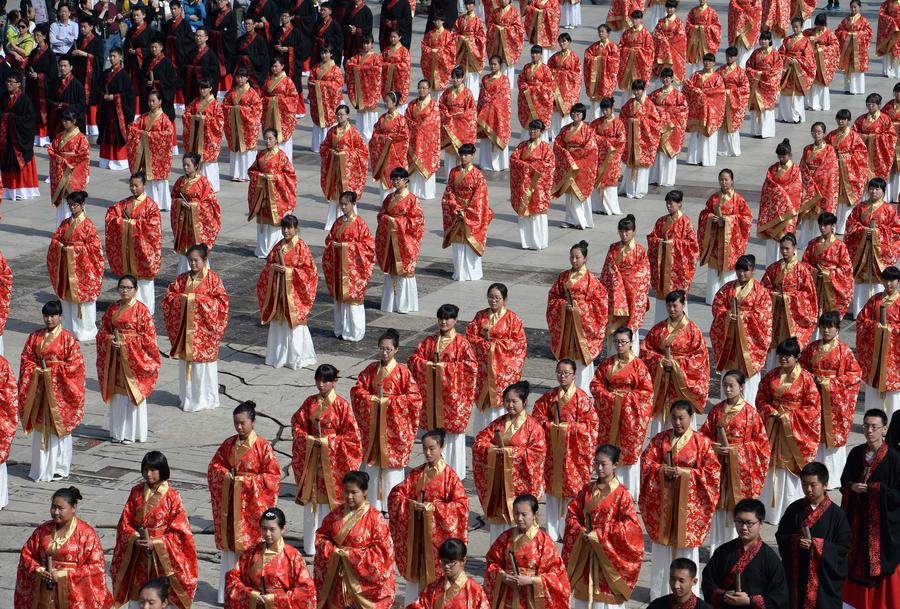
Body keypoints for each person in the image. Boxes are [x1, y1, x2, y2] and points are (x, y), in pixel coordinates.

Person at [641, 400, 721, 600]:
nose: (677, 423)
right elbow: (647, 464)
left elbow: (712, 473)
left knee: (686, 551)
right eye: (674, 418)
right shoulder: (660, 440)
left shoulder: (701, 442)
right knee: (662, 549)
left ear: (691, 418)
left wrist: (685, 473)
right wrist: (661, 471)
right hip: (664, 504)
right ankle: (659, 594)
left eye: (681, 418)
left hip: (689, 506)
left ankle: (688, 595)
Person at [208, 401, 281, 603]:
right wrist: (226, 476)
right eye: (236, 423)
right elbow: (214, 467)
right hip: (231, 505)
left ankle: (247, 595)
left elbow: (273, 478)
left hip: (250, 508)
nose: (239, 427)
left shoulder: (263, 446)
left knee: (250, 551)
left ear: (253, 422)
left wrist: (245, 482)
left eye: (243, 423)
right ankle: (226, 594)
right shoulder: (229, 444)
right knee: (230, 549)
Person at [387, 429, 469, 603]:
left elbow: (461, 506)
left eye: (432, 448)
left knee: (437, 582)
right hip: (416, 537)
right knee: (414, 579)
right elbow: (396, 495)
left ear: (441, 447)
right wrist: (410, 505)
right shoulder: (416, 474)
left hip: (436, 537)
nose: (428, 453)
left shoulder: (450, 477)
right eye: (424, 448)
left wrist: (431, 510)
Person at [110, 451, 197, 609]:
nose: (148, 474)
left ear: (162, 470)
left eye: (152, 470)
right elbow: (125, 523)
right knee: (138, 593)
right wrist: (135, 539)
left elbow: (180, 532)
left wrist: (156, 543)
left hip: (162, 557)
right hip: (139, 553)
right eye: (145, 470)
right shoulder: (136, 491)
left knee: (162, 593)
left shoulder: (172, 496)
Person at [291, 364, 362, 554]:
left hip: (333, 462)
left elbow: (352, 438)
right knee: (312, 502)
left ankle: (330, 542)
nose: (321, 385)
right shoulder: (309, 403)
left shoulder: (341, 405)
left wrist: (327, 443)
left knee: (332, 504)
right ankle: (310, 545)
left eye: (325, 381)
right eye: (318, 381)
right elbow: (297, 425)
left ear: (334, 382)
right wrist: (308, 440)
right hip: (313, 458)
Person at [562, 444, 644, 608]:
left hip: (608, 557)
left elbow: (631, 527)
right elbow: (572, 514)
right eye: (596, 463)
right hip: (585, 553)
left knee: (605, 601)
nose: (599, 468)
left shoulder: (622, 494)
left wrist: (599, 535)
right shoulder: (586, 490)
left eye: (603, 464)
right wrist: (580, 530)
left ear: (614, 465)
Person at [699, 369, 770, 556]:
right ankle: (717, 550)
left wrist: (737, 451)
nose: (728, 389)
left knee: (737, 509)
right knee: (719, 509)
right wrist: (715, 448)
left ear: (742, 387)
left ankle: (737, 549)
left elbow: (761, 445)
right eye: (725, 386)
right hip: (719, 466)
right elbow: (703, 438)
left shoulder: (750, 413)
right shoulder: (716, 410)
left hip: (741, 469)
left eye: (731, 386)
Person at [349, 329, 422, 511]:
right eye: (381, 348)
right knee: (373, 467)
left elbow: (414, 398)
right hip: (374, 425)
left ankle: (393, 504)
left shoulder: (403, 372)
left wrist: (389, 403)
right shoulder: (371, 370)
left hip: (393, 428)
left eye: (388, 349)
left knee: (392, 469)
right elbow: (357, 390)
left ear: (396, 350)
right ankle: (373, 503)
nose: (384, 353)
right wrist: (373, 401)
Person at [18, 300, 85, 482]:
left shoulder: (68, 339)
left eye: (53, 315)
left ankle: (60, 467)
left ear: (60, 317)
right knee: (40, 426)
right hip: (39, 387)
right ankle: (40, 466)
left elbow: (76, 366)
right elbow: (26, 359)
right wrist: (36, 371)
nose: (49, 319)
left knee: (59, 428)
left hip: (60, 390)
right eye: (46, 315)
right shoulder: (34, 337)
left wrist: (52, 372)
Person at [532, 359, 599, 541]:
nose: (562, 376)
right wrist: (551, 427)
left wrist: (567, 429)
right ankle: (552, 531)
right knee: (552, 493)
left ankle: (569, 529)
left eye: (566, 373)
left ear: (574, 375)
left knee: (573, 492)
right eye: (559, 372)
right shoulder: (549, 397)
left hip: (573, 454)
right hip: (553, 452)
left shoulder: (582, 399)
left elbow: (591, 426)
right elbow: (537, 417)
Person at [757, 337, 822, 523]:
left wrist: (788, 417)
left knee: (789, 467)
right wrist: (770, 411)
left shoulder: (806, 379)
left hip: (794, 429)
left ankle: (790, 510)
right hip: (773, 425)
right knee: (771, 464)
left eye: (788, 356)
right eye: (781, 356)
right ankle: (769, 510)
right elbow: (761, 397)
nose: (783, 359)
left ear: (797, 357)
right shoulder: (771, 375)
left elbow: (812, 408)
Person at [14, 487, 114, 609]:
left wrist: (63, 575)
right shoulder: (42, 530)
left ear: (73, 508)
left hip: (72, 596)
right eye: (53, 507)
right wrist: (39, 570)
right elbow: (26, 555)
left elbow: (96, 568)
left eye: (60, 508)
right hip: (44, 593)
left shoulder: (87, 534)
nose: (55, 512)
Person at [840, 408, 900, 609]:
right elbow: (844, 481)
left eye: (874, 427)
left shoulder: (894, 458)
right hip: (857, 520)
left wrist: (876, 490)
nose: (869, 431)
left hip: (882, 525)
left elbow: (898, 494)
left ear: (884, 429)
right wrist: (851, 487)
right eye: (866, 426)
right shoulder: (856, 453)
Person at [407, 305, 477, 477]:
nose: (444, 322)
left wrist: (443, 368)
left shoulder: (462, 343)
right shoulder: (429, 341)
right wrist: (428, 366)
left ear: (455, 320)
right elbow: (414, 360)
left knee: (451, 437)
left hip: (452, 400)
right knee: (433, 434)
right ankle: (433, 469)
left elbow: (471, 367)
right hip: (432, 398)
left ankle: (454, 473)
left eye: (447, 319)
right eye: (441, 318)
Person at [472, 382, 546, 542]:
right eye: (507, 401)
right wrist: (492, 450)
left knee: (519, 520)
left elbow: (537, 452)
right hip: (499, 483)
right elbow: (480, 441)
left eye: (514, 401)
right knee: (498, 523)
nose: (510, 405)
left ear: (524, 402)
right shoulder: (498, 423)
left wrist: (509, 453)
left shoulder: (533, 427)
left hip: (519, 484)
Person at [161, 243, 229, 412]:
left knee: (202, 367)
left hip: (204, 332)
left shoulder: (213, 279)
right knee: (186, 364)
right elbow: (169, 298)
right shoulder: (182, 279)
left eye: (196, 260)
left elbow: (221, 304)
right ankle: (188, 398)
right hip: (186, 331)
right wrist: (182, 300)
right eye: (190, 260)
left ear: (204, 260)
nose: (192, 263)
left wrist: (194, 300)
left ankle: (206, 398)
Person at [314, 471, 396, 609]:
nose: (349, 496)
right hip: (337, 577)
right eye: (346, 492)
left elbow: (383, 553)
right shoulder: (336, 514)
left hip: (361, 582)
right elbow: (321, 536)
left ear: (364, 492)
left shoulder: (375, 518)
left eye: (354, 492)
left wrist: (350, 556)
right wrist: (332, 551)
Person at [775, 461, 852, 609]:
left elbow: (844, 547)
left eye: (813, 485)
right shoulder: (794, 509)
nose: (808, 489)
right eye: (804, 484)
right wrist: (796, 541)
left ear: (825, 485)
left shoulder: (837, 515)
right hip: (798, 574)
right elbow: (781, 535)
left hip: (824, 579)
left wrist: (818, 546)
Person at [590, 327, 653, 500]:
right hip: (610, 413)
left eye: (623, 342)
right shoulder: (608, 364)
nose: (619, 345)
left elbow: (647, 393)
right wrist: (609, 397)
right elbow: (596, 384)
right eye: (616, 342)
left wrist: (625, 399)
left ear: (631, 343)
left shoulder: (639, 366)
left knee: (627, 455)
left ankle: (628, 494)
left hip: (630, 416)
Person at [96, 274, 159, 445]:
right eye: (122, 287)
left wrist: (126, 343)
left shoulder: (142, 310)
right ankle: (117, 433)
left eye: (128, 288)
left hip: (134, 360)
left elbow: (149, 339)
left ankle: (132, 433)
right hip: (116, 359)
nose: (124, 291)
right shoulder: (113, 308)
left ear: (135, 290)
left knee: (133, 394)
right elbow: (103, 331)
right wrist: (110, 340)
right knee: (118, 395)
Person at [641, 290, 709, 437]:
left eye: (675, 306)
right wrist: (660, 361)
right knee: (661, 419)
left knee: (682, 414)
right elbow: (645, 351)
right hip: (662, 380)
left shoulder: (693, 330)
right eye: (669, 306)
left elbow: (699, 359)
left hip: (682, 384)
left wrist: (676, 365)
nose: (671, 309)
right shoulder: (658, 329)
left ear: (683, 305)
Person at [483, 493, 571, 604]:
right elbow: (492, 561)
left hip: (533, 596)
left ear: (535, 514)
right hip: (508, 592)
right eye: (516, 513)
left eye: (524, 514)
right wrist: (503, 576)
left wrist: (531, 580)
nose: (519, 518)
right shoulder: (506, 536)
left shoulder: (544, 541)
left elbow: (556, 574)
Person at [256, 214, 317, 370]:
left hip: (294, 293)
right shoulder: (278, 246)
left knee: (294, 326)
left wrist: (289, 272)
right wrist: (273, 268)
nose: (286, 231)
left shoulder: (301, 247)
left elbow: (309, 272)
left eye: (289, 228)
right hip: (279, 292)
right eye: (283, 228)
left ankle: (296, 357)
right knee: (278, 323)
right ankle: (278, 356)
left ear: (296, 229)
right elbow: (268, 265)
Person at [710, 254, 773, 404]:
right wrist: (727, 315)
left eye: (745, 270)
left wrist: (742, 317)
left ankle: (749, 407)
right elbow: (717, 306)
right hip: (730, 339)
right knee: (729, 372)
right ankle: (726, 405)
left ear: (753, 271)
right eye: (739, 270)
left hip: (749, 341)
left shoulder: (760, 292)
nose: (741, 274)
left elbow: (764, 315)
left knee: (748, 377)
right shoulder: (727, 289)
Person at [703, 498, 790, 606]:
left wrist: (750, 601)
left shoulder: (770, 558)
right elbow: (708, 582)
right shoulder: (722, 552)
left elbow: (780, 597)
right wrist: (724, 595)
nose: (743, 527)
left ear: (761, 523)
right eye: (739, 522)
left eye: (749, 523)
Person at [225, 507, 317, 609]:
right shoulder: (251, 552)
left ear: (283, 529)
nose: (267, 533)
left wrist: (273, 600)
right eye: (264, 529)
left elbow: (307, 590)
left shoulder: (293, 555)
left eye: (272, 529)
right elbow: (232, 579)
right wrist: (252, 595)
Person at [546, 242, 607, 390]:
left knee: (582, 358)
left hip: (583, 326)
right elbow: (553, 297)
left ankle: (583, 389)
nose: (574, 261)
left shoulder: (591, 280)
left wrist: (579, 308)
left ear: (585, 258)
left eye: (577, 257)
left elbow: (601, 303)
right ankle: (566, 386)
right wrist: (562, 306)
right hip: (566, 323)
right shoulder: (563, 277)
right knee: (567, 357)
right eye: (571, 257)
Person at [466, 284, 528, 431]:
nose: (493, 301)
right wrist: (484, 345)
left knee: (501, 402)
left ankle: (501, 432)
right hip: (484, 368)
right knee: (484, 401)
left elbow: (519, 344)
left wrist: (494, 346)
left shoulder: (513, 319)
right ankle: (481, 432)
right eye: (490, 297)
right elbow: (470, 337)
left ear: (504, 299)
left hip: (503, 370)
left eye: (497, 298)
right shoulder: (480, 316)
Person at [46, 191, 104, 342]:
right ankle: (68, 328)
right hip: (66, 266)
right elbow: (55, 240)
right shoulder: (65, 223)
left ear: (82, 205)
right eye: (70, 205)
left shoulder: (88, 225)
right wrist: (60, 247)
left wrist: (73, 250)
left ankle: (85, 330)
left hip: (82, 269)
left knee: (82, 302)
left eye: (75, 205)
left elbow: (95, 248)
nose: (72, 207)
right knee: (67, 299)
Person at [105, 173, 163, 314]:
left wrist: (131, 224)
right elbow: (110, 215)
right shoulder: (124, 204)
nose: (134, 188)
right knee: (129, 281)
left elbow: (154, 226)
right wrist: (127, 223)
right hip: (127, 250)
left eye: (137, 185)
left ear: (144, 185)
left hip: (142, 251)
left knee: (144, 285)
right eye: (131, 185)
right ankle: (129, 309)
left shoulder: (151, 206)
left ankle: (146, 312)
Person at [323, 191, 375, 341]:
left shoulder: (359, 224)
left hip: (354, 270)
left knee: (353, 301)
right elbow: (329, 240)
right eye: (342, 204)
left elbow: (368, 247)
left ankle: (355, 332)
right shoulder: (338, 222)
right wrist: (334, 246)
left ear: (353, 204)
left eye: (346, 204)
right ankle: (341, 329)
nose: (343, 207)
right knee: (340, 300)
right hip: (338, 267)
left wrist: (345, 247)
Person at [845, 178, 900, 316]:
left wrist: (876, 233)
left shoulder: (889, 210)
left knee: (880, 281)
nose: (874, 191)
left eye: (877, 189)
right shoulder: (860, 208)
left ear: (883, 191)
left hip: (880, 253)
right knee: (861, 281)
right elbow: (850, 225)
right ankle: (859, 311)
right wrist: (863, 231)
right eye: (871, 188)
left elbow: (896, 231)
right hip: (862, 251)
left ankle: (877, 312)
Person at [761, 233, 818, 367]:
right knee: (774, 346)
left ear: (794, 248)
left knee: (790, 345)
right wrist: (775, 296)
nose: (784, 251)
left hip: (792, 316)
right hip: (776, 314)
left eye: (787, 248)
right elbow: (763, 289)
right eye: (782, 248)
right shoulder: (773, 268)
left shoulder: (802, 270)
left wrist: (788, 298)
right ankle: (772, 371)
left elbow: (808, 295)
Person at [697, 170, 753, 304]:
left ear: (732, 180)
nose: (723, 182)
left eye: (726, 179)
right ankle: (712, 298)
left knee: (729, 271)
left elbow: (747, 219)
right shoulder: (713, 198)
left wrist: (728, 220)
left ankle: (728, 298)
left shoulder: (738, 199)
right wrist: (711, 218)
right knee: (714, 270)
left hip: (731, 242)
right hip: (715, 240)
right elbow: (704, 214)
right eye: (721, 179)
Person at [374, 168, 423, 313]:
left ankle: (405, 304)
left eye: (398, 179)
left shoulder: (412, 199)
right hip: (390, 239)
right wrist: (387, 220)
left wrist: (395, 222)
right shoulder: (389, 197)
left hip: (405, 240)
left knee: (404, 272)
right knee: (391, 270)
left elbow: (417, 221)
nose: (395, 182)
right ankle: (390, 304)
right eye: (393, 179)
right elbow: (381, 214)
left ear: (406, 180)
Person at [441, 143, 492, 281]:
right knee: (458, 243)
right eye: (461, 154)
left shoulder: (477, 175)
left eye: (466, 155)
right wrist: (455, 207)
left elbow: (480, 197)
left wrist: (467, 212)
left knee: (470, 243)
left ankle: (473, 273)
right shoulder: (454, 172)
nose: (463, 157)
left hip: (470, 212)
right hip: (456, 211)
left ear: (472, 156)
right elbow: (449, 191)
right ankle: (459, 272)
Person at [600, 215, 650, 354]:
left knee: (630, 328)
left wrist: (625, 280)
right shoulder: (613, 248)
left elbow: (644, 275)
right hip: (614, 295)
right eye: (621, 231)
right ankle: (612, 357)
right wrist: (617, 282)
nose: (624, 234)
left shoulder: (639, 250)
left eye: (627, 231)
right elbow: (606, 272)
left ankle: (631, 358)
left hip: (632, 296)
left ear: (634, 232)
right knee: (613, 330)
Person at [646, 191, 699, 323]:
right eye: (667, 203)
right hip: (662, 267)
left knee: (677, 299)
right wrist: (660, 243)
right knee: (661, 301)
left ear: (680, 204)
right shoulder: (661, 221)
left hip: (678, 270)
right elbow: (652, 238)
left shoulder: (686, 222)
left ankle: (681, 327)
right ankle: (660, 327)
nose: (669, 205)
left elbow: (693, 246)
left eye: (672, 203)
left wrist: (672, 244)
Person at [856, 266, 900, 416]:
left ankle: (894, 425)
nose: (889, 284)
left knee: (894, 394)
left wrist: (890, 330)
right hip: (875, 351)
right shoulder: (875, 300)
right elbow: (861, 321)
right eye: (886, 280)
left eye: (892, 280)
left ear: (898, 282)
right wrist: (875, 327)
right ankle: (872, 422)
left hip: (894, 355)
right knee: (873, 388)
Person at [248, 128, 297, 259]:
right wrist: (260, 176)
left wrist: (274, 178)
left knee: (275, 223)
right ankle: (262, 249)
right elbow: (252, 170)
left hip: (277, 194)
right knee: (264, 222)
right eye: (266, 138)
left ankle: (275, 250)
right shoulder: (260, 155)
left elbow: (290, 175)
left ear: (276, 140)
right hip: (263, 193)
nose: (268, 141)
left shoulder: (281, 156)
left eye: (270, 139)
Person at [319, 107, 368, 231]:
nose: (339, 116)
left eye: (342, 114)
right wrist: (332, 153)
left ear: (347, 115)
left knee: (347, 194)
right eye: (338, 114)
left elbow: (362, 151)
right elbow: (324, 147)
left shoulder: (353, 132)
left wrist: (345, 155)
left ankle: (351, 221)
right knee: (335, 195)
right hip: (334, 169)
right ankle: (332, 222)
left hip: (348, 171)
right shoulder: (332, 131)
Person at [406, 539, 490, 609]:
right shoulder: (433, 587)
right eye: (444, 561)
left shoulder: (475, 590)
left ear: (463, 561)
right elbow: (418, 605)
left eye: (451, 562)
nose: (446, 566)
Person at [171, 153, 221, 273]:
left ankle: (202, 276)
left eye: (188, 165)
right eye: (184, 165)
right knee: (185, 250)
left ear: (196, 165)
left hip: (198, 224)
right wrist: (179, 202)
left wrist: (194, 206)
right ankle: (183, 276)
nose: (185, 167)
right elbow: (174, 197)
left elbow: (210, 203)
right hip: (184, 222)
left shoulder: (204, 182)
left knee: (198, 249)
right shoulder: (180, 181)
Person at [126, 91, 175, 211]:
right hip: (145, 156)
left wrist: (149, 136)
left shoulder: (164, 118)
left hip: (158, 157)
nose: (151, 103)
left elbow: (169, 133)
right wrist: (142, 134)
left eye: (153, 101)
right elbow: (132, 127)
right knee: (147, 179)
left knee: (158, 181)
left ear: (160, 102)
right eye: (149, 101)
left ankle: (161, 204)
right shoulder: (144, 117)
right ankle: (147, 203)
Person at [552, 103, 597, 229]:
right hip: (568, 163)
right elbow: (558, 144)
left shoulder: (587, 130)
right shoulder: (565, 129)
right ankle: (570, 219)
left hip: (581, 164)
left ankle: (582, 221)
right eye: (573, 113)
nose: (575, 115)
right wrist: (566, 155)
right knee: (569, 193)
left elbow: (591, 148)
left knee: (580, 193)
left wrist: (573, 153)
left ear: (583, 115)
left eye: (578, 113)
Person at [757, 139, 803, 265]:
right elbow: (767, 188)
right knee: (773, 240)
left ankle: (790, 265)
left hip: (789, 211)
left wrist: (779, 193)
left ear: (790, 155)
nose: (781, 158)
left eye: (784, 156)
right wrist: (779, 193)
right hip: (773, 211)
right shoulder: (772, 169)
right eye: (779, 156)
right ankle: (771, 266)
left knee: (786, 238)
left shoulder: (795, 170)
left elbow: (796, 189)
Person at [509, 120, 553, 249]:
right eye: (531, 129)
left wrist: (532, 168)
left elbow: (549, 165)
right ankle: (526, 242)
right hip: (524, 183)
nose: (532, 132)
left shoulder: (545, 147)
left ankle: (539, 242)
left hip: (538, 184)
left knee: (538, 213)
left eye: (535, 130)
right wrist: (526, 167)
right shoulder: (522, 146)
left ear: (541, 132)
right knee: (525, 212)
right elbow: (513, 159)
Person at [802, 213, 853, 321]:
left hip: (832, 285)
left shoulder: (840, 246)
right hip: (815, 281)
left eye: (825, 225)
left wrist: (829, 273)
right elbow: (805, 263)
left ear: (833, 226)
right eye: (820, 225)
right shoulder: (813, 243)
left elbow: (846, 269)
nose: (822, 228)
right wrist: (814, 271)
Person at [797, 122, 839, 249]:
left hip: (823, 186)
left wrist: (815, 179)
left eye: (819, 132)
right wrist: (808, 181)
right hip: (808, 185)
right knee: (807, 216)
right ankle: (805, 242)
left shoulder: (829, 149)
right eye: (814, 132)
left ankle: (819, 241)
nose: (816, 134)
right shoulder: (807, 149)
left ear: (824, 134)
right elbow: (802, 167)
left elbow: (830, 168)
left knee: (820, 216)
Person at [826, 109, 867, 234]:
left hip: (848, 173)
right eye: (839, 119)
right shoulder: (831, 135)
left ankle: (844, 226)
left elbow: (861, 154)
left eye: (843, 119)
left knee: (846, 201)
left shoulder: (854, 136)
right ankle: (832, 226)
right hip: (834, 171)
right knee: (834, 198)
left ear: (848, 121)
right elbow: (825, 151)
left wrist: (843, 157)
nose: (841, 121)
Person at [619, 80, 661, 199]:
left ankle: (640, 190)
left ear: (643, 90)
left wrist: (639, 122)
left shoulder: (648, 104)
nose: (636, 92)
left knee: (641, 165)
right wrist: (630, 122)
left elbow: (656, 122)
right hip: (631, 139)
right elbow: (622, 118)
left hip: (643, 139)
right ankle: (629, 188)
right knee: (631, 164)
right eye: (635, 90)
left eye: (639, 90)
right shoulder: (629, 103)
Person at [47, 110, 90, 226]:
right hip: (61, 173)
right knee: (63, 203)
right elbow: (51, 149)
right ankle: (62, 227)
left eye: (67, 120)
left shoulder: (82, 138)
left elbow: (84, 156)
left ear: (74, 121)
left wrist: (65, 158)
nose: (64, 123)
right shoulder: (59, 136)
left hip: (73, 174)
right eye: (63, 120)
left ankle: (77, 227)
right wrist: (59, 158)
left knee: (73, 201)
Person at [682, 53, 726, 166]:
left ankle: (708, 160)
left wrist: (702, 93)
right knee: (696, 134)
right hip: (697, 109)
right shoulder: (696, 75)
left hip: (711, 109)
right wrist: (698, 94)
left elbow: (720, 93)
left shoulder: (717, 77)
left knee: (708, 135)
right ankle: (694, 159)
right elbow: (687, 87)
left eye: (710, 61)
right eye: (705, 61)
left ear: (714, 63)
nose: (707, 63)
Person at [0, 73, 38, 200]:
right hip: (6, 139)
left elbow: (30, 119)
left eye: (12, 82)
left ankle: (22, 190)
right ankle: (7, 190)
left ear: (19, 84)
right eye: (7, 81)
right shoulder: (3, 97)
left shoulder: (25, 100)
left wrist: (11, 118)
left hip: (19, 139)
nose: (9, 84)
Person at [182, 80, 224, 191]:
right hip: (196, 137)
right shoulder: (195, 102)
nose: (202, 91)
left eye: (205, 88)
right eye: (200, 88)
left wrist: (205, 119)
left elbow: (219, 122)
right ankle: (197, 186)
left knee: (208, 163)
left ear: (210, 88)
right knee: (196, 160)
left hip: (208, 138)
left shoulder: (215, 104)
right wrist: (193, 118)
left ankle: (211, 186)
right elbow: (186, 114)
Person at [648, 69, 686, 188]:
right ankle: (655, 177)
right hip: (658, 127)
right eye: (663, 77)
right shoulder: (655, 94)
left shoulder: (678, 95)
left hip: (672, 127)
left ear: (672, 79)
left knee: (668, 153)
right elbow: (648, 106)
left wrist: (665, 111)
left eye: (668, 77)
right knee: (658, 153)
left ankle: (667, 179)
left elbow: (684, 110)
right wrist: (657, 111)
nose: (665, 79)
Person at [855, 93, 898, 198]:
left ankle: (881, 196)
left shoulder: (885, 119)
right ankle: (865, 198)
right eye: (868, 104)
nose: (870, 106)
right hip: (864, 153)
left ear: (879, 105)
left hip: (879, 154)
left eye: (873, 104)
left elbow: (891, 136)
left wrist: (873, 138)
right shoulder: (861, 119)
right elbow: (853, 135)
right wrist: (864, 137)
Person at [223, 68, 262, 182]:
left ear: (247, 78)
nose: (239, 79)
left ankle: (247, 174)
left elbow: (257, 109)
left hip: (247, 126)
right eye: (238, 77)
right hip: (235, 125)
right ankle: (235, 173)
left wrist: (240, 110)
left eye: (242, 77)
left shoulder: (252, 93)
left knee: (247, 150)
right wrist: (234, 109)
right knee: (236, 149)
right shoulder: (231, 92)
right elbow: (224, 106)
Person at [588, 97, 625, 216]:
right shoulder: (595, 123)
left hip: (611, 156)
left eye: (606, 109)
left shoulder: (618, 123)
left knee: (610, 182)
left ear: (612, 109)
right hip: (598, 156)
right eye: (602, 110)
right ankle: (597, 206)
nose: (604, 112)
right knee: (596, 180)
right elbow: (589, 137)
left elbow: (621, 140)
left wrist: (602, 140)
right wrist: (602, 141)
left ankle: (610, 208)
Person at [370, 93, 410, 200]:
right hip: (383, 154)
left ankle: (396, 201)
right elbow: (375, 133)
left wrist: (391, 139)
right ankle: (385, 202)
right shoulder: (382, 118)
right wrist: (384, 139)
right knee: (384, 176)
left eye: (387, 101)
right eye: (385, 101)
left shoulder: (401, 119)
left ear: (394, 102)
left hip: (395, 154)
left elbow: (405, 137)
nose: (385, 103)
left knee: (395, 177)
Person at [406, 80, 440, 200]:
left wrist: (418, 126)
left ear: (429, 89)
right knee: (414, 165)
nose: (422, 90)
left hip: (428, 141)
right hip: (414, 139)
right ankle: (414, 192)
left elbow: (433, 122)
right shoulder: (412, 104)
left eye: (424, 88)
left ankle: (427, 193)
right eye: (420, 88)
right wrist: (414, 125)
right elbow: (407, 118)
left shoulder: (434, 105)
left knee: (427, 164)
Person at [439, 69, 477, 175]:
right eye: (454, 77)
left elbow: (472, 111)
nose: (455, 80)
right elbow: (441, 106)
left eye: (458, 78)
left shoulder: (467, 93)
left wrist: (460, 116)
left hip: (463, 125)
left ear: (462, 78)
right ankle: (449, 176)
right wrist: (447, 114)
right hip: (449, 123)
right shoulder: (447, 92)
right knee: (450, 151)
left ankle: (461, 175)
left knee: (462, 151)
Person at [262, 55, 300, 159]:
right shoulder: (268, 80)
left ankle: (284, 161)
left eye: (276, 66)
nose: (274, 69)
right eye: (272, 66)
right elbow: (263, 95)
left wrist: (277, 100)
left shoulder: (287, 81)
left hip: (283, 116)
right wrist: (269, 100)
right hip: (270, 114)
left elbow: (294, 98)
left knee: (282, 139)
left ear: (282, 66)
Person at [477, 56, 511, 172]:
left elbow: (504, 97)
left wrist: (492, 103)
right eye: (491, 64)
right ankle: (485, 163)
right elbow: (482, 95)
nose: (492, 66)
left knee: (498, 133)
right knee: (486, 138)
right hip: (486, 112)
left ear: (500, 65)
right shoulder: (485, 78)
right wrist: (487, 102)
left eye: (495, 64)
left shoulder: (504, 79)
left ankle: (499, 164)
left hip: (498, 113)